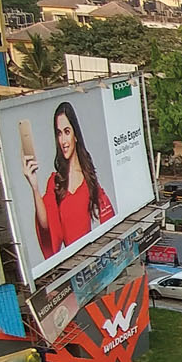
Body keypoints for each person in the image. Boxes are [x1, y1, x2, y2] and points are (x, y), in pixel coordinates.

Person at [24, 102, 117, 260]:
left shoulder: (89, 179)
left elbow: (109, 219)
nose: (63, 140)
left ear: (75, 134)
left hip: (92, 259)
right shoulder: (55, 182)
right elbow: (46, 225)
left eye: (66, 131)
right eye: (59, 133)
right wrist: (34, 187)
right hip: (70, 264)